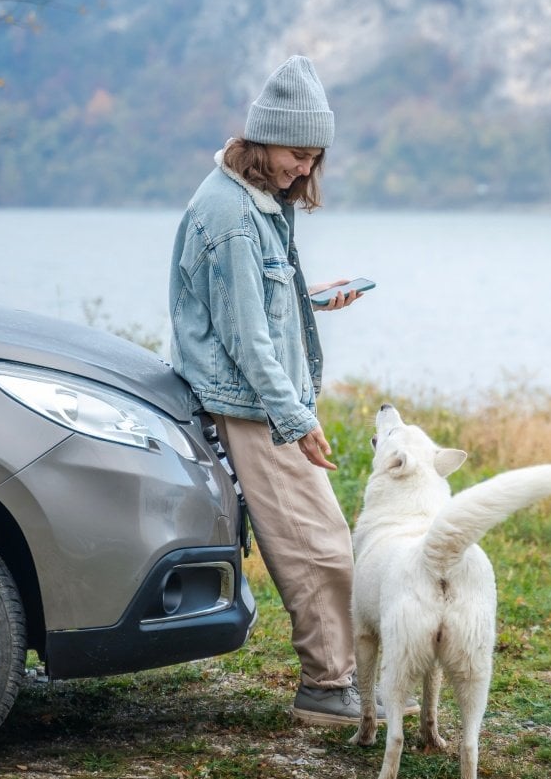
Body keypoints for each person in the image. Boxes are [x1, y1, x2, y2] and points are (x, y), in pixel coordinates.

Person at [168, 55, 385, 727]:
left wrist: (306, 299)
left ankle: (339, 677)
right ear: (263, 138)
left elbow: (248, 311)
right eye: (298, 153)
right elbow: (246, 343)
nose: (304, 169)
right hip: (256, 406)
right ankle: (328, 686)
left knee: (324, 542)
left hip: (261, 398)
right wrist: (296, 418)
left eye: (314, 158)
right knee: (319, 547)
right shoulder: (234, 217)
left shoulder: (255, 202)